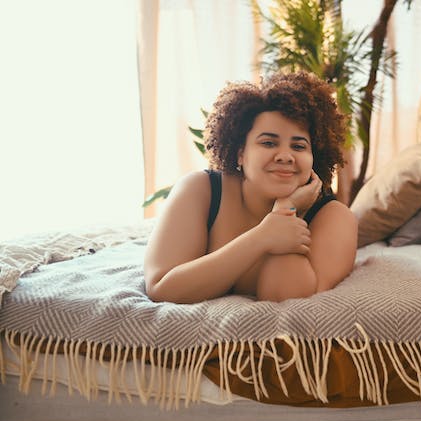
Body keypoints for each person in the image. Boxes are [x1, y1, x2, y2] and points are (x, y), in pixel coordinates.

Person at [144, 72, 357, 304]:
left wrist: (286, 211)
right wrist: (263, 237)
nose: (285, 156)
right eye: (268, 143)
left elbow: (285, 302)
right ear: (241, 153)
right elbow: (162, 289)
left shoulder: (334, 218)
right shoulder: (201, 190)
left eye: (298, 146)